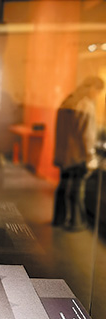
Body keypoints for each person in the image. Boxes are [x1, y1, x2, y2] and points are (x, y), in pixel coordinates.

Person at [52, 76, 104, 231]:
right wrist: (90, 157)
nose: (97, 95)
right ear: (92, 88)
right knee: (77, 189)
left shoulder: (68, 101)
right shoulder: (86, 105)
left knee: (63, 186)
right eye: (98, 91)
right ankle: (76, 222)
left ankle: (59, 219)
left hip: (63, 155)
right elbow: (87, 136)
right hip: (77, 156)